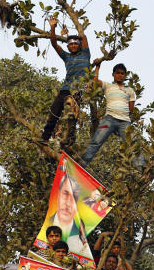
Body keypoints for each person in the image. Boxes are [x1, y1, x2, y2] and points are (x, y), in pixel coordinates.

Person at [41, 16, 91, 146]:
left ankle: (69, 140)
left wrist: (78, 28)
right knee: (54, 112)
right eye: (71, 44)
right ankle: (45, 138)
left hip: (77, 90)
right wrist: (52, 27)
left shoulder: (85, 54)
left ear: (79, 45)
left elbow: (84, 37)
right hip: (65, 89)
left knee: (72, 116)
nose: (73, 45)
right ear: (68, 47)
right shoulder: (66, 57)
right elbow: (54, 44)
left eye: (76, 43)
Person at [81, 62, 139, 166]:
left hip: (124, 121)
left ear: (125, 76)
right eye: (118, 73)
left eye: (122, 73)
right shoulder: (108, 86)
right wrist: (98, 67)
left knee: (132, 145)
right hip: (109, 118)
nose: (120, 75)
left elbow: (131, 109)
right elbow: (95, 81)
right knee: (96, 141)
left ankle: (142, 170)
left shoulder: (130, 91)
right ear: (113, 74)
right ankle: (82, 164)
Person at [42, 173, 89, 256]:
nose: (68, 202)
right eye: (65, 194)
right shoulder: (47, 222)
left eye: (74, 197)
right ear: (58, 195)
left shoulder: (80, 228)